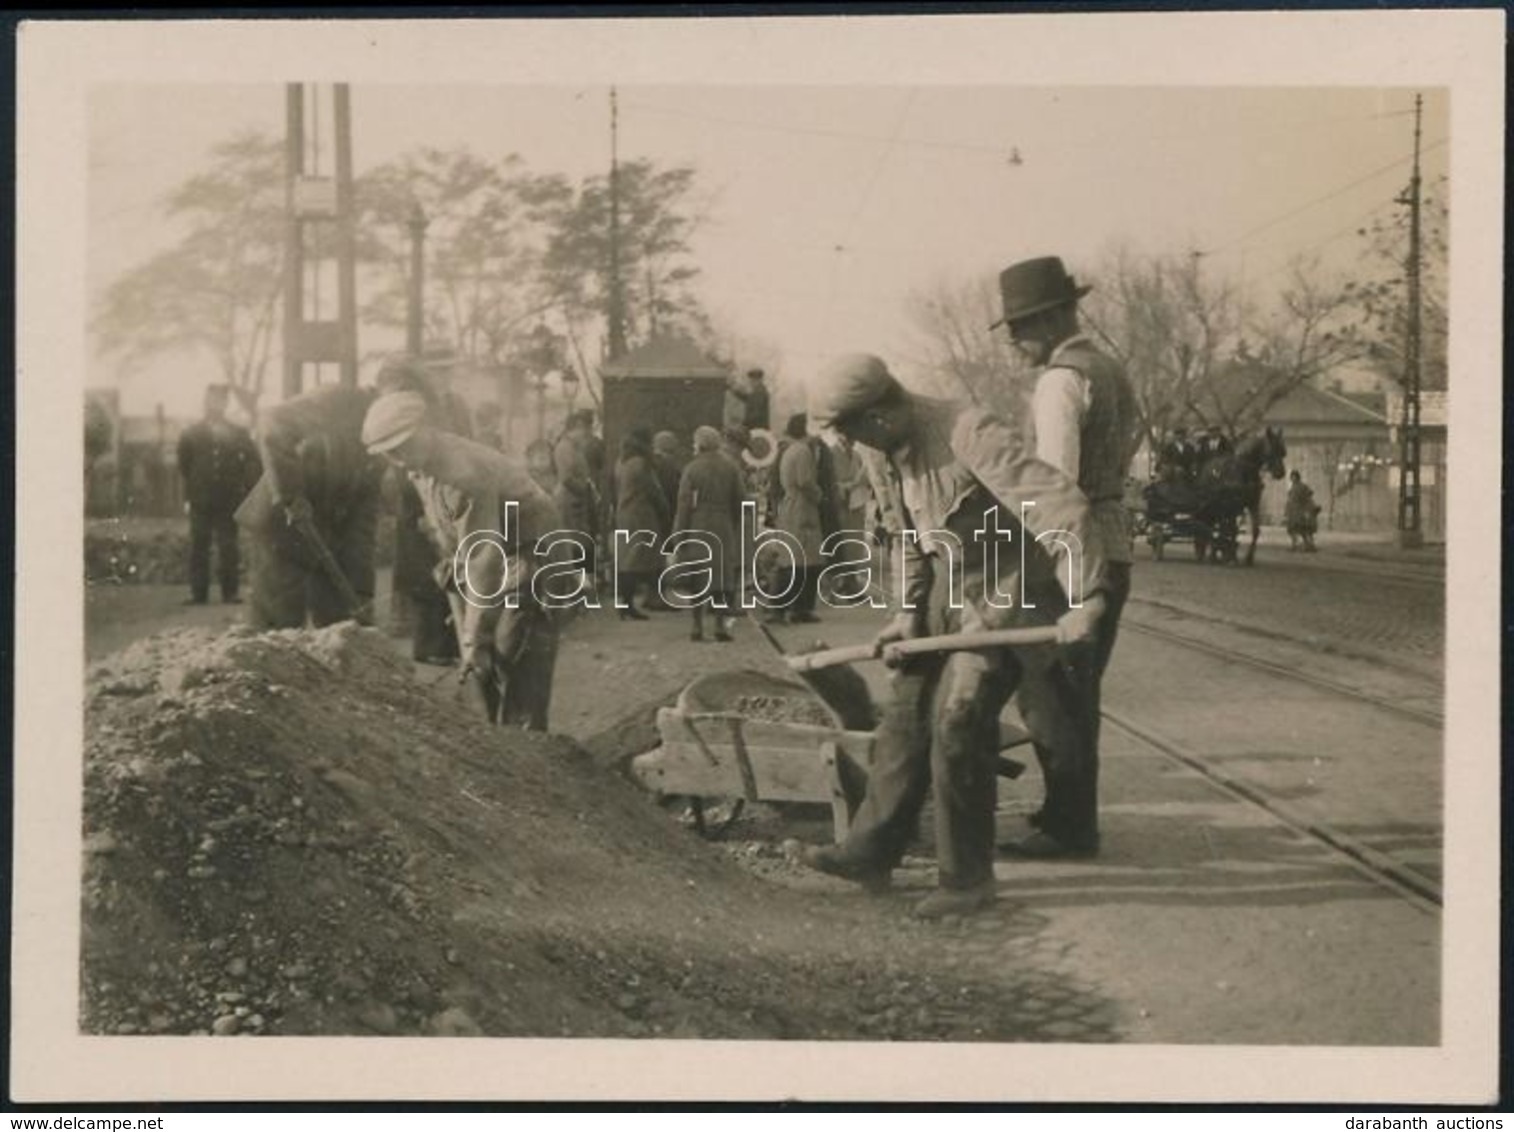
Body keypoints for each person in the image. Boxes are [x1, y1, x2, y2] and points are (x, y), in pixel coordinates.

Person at [800, 352, 1108, 919]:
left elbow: (1061, 506)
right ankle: (871, 849)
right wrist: (908, 611)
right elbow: (905, 534)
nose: (849, 444)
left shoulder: (970, 431)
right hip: (950, 586)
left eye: (850, 430)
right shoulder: (878, 449)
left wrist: (1087, 597)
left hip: (1008, 588)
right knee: (907, 711)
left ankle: (966, 880)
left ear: (882, 412)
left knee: (958, 719)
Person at [993, 255, 1136, 859]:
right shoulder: (1109, 370)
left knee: (1049, 689)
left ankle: (1069, 827)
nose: (1015, 342)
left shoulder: (1059, 381)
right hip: (1113, 542)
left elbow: (1055, 485)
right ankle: (1068, 816)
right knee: (1078, 687)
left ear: (1051, 319)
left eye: (1020, 327)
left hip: (1070, 549)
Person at [362, 392, 565, 731]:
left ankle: (525, 746)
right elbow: (453, 533)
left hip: (534, 551)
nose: (399, 459)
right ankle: (493, 735)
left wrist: (473, 636)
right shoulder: (420, 467)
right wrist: (453, 567)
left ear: (423, 430)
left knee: (514, 648)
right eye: (391, 453)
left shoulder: (463, 473)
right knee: (486, 663)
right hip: (495, 547)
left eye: (403, 447)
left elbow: (484, 559)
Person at [235, 383, 383, 630]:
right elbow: (272, 421)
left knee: (340, 628)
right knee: (279, 627)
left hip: (330, 531)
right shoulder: (343, 400)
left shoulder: (385, 447)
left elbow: (362, 535)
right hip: (280, 525)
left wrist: (362, 598)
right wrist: (290, 495)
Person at [375, 353, 474, 665]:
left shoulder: (455, 405)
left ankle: (451, 644)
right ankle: (430, 646)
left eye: (447, 371)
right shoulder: (411, 408)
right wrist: (417, 506)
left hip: (449, 490)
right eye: (436, 372)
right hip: (418, 497)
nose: (442, 378)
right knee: (427, 573)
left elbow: (466, 443)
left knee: (452, 565)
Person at [177, 383, 260, 605]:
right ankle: (198, 594)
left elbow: (252, 461)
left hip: (228, 498)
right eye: (212, 399)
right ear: (205, 401)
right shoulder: (191, 433)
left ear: (226, 403)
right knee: (199, 545)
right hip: (200, 499)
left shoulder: (238, 432)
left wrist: (243, 488)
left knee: (228, 545)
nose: (216, 404)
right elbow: (185, 465)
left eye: (221, 400)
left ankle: (230, 593)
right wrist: (191, 492)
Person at [672, 425, 745, 643]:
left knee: (697, 577)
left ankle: (696, 626)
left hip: (699, 524)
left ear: (700, 444)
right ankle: (720, 625)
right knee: (722, 577)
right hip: (723, 526)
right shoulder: (730, 467)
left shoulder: (692, 469)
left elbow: (684, 504)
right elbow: (740, 499)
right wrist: (731, 521)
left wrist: (680, 534)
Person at [767, 412, 825, 625]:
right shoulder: (802, 451)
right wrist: (820, 496)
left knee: (800, 561)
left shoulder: (791, 450)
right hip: (801, 507)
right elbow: (805, 482)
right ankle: (786, 608)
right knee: (797, 562)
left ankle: (797, 608)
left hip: (794, 505)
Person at [612, 430, 670, 620]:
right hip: (641, 516)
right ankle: (634, 604)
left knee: (628, 560)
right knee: (637, 561)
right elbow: (653, 490)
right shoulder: (641, 464)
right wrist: (664, 508)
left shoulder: (621, 463)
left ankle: (625, 604)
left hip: (624, 514)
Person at [1284, 469, 1320, 552]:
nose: (1293, 478)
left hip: (1300, 511)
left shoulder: (1302, 486)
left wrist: (1309, 507)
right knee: (1292, 529)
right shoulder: (1292, 487)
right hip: (1292, 512)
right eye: (1292, 477)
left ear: (1297, 477)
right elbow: (1289, 500)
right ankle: (1294, 545)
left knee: (1303, 529)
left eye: (1294, 476)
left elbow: (1309, 495)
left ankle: (1308, 545)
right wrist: (1286, 511)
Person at [727, 367, 771, 433]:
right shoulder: (758, 391)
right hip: (758, 428)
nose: (751, 382)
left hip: (757, 428)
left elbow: (756, 413)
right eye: (751, 380)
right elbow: (747, 398)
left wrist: (744, 424)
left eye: (754, 380)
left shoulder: (759, 392)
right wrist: (733, 388)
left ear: (760, 380)